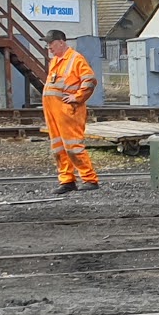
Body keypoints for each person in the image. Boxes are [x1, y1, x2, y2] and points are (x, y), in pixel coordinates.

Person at [42, 30, 99, 195]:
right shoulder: (55, 61)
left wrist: (77, 97)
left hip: (68, 111)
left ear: (61, 42)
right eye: (48, 44)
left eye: (51, 43)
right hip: (53, 111)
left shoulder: (75, 59)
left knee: (73, 146)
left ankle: (89, 179)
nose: (49, 47)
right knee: (58, 147)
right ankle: (67, 180)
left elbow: (89, 80)